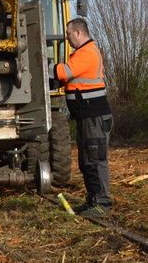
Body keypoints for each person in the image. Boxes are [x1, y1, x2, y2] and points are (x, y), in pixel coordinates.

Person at [52, 18, 113, 218]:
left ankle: (102, 203)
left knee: (96, 160)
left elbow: (63, 72)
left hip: (94, 117)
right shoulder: (81, 53)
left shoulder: (87, 53)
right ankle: (93, 201)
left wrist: (44, 66)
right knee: (86, 161)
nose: (67, 39)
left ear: (78, 33)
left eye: (68, 35)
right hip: (86, 117)